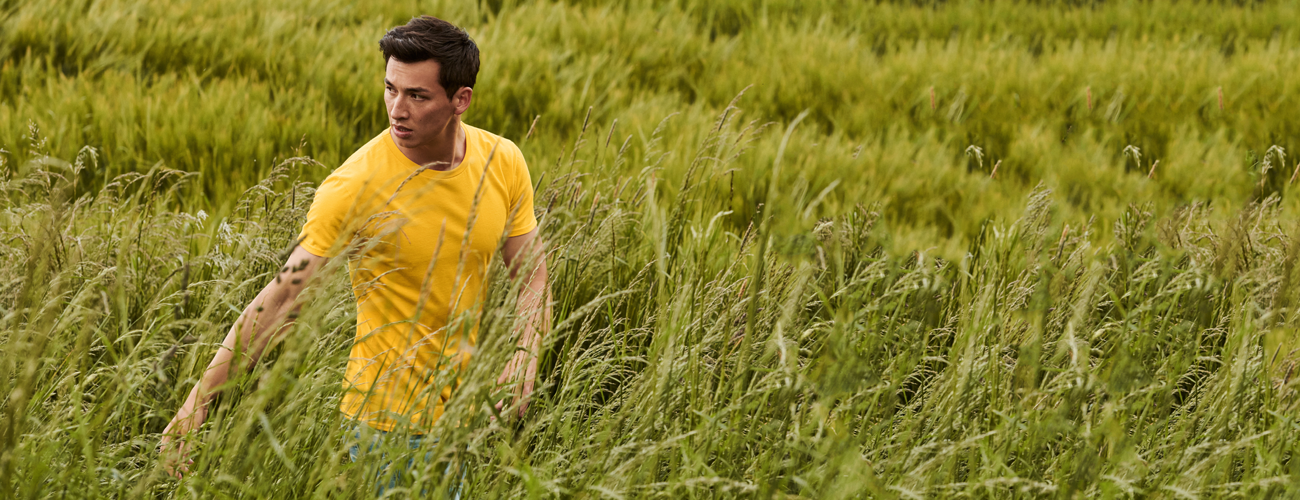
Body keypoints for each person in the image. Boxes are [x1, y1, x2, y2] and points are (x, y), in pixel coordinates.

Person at [158, 15, 550, 490]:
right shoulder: (355, 185)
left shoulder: (503, 161)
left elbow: (531, 274)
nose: (396, 109)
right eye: (390, 89)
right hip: (388, 425)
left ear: (460, 99)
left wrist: (524, 358)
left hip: (471, 418)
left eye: (416, 95)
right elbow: (283, 299)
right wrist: (196, 404)